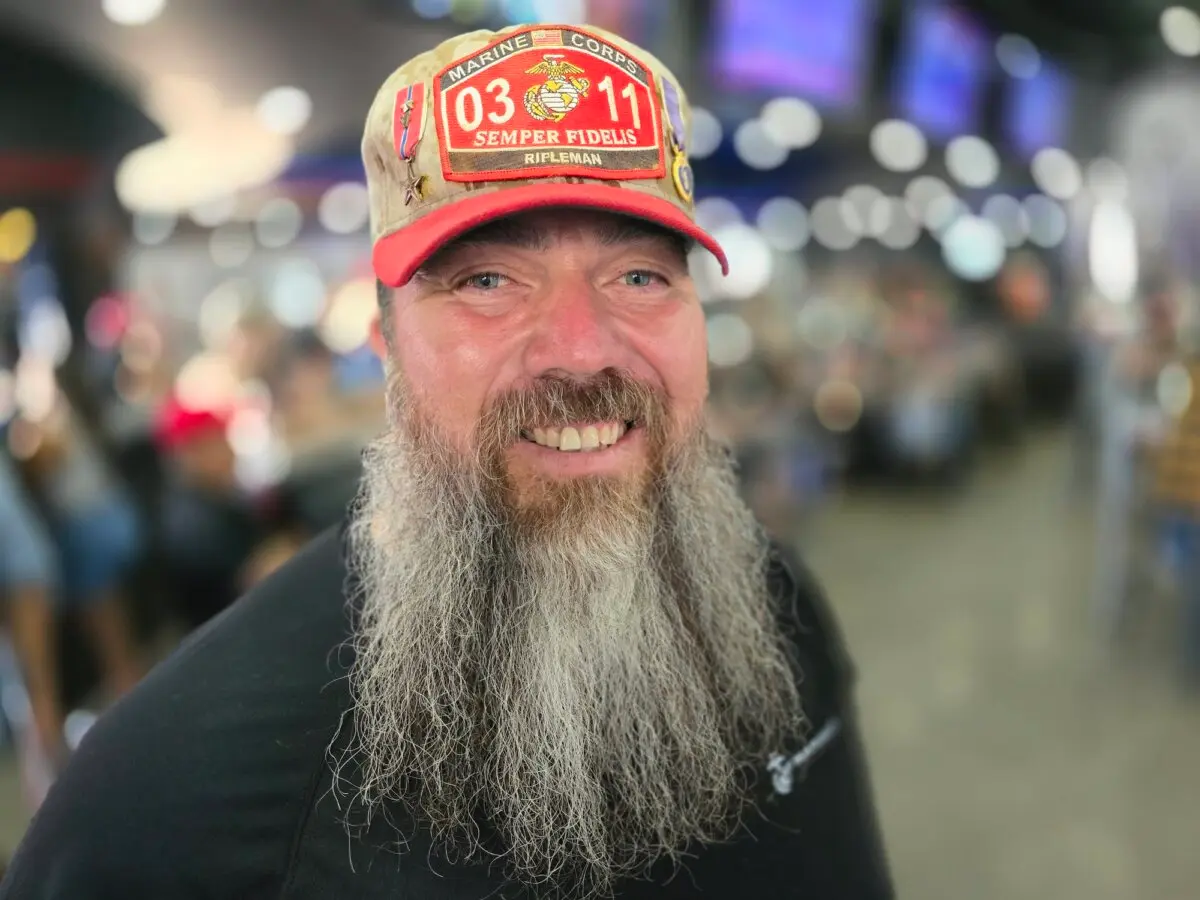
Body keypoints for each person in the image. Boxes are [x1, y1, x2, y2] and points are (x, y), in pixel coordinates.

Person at [1, 24, 894, 898]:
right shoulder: (169, 816)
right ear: (387, 345)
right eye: (486, 281)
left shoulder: (781, 619)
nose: (582, 351)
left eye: (640, 276)